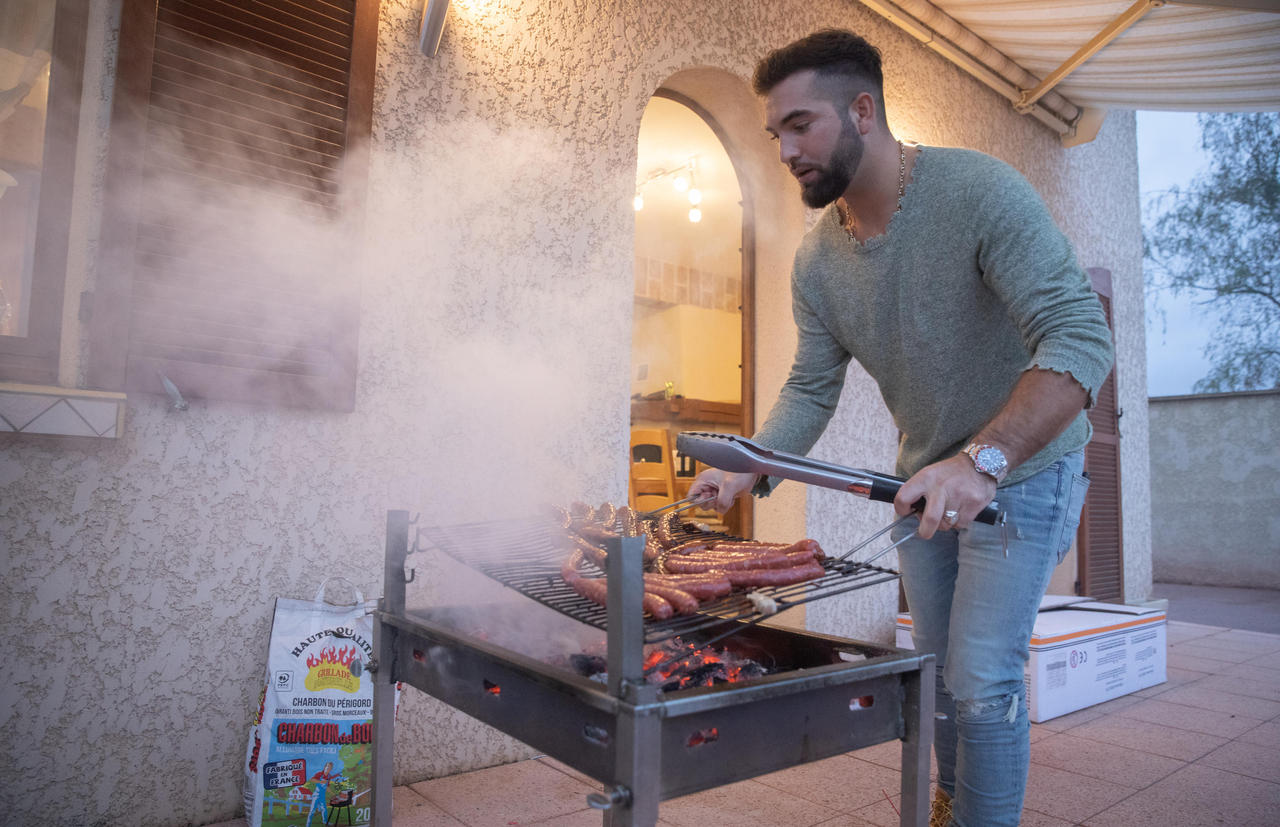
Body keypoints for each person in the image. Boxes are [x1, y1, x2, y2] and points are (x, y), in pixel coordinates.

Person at [688, 29, 1114, 827]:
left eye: (800, 125)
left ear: (863, 110)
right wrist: (747, 463)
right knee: (936, 671)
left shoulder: (981, 192)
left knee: (983, 678)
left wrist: (982, 459)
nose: (784, 149)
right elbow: (811, 387)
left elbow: (1081, 339)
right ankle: (953, 806)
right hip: (923, 482)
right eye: (774, 133)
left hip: (1024, 472)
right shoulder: (818, 263)